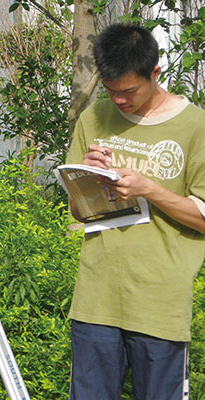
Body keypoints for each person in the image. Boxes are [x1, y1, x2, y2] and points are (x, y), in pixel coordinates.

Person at [67, 23, 205, 399]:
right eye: (110, 92)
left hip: (159, 304)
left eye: (128, 91)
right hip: (96, 300)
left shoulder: (195, 126)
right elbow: (78, 211)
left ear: (155, 73)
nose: (119, 101)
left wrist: (149, 189)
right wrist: (89, 178)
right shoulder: (93, 119)